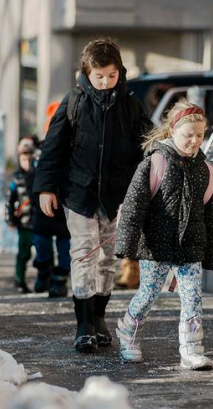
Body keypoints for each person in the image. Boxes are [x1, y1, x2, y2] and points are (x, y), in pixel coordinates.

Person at [34, 38, 153, 353]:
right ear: (86, 73)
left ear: (119, 72)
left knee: (107, 259)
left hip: (115, 197)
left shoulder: (129, 103)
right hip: (80, 193)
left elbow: (147, 142)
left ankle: (99, 317)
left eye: (111, 76)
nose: (104, 82)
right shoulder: (74, 101)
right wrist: (46, 188)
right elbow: (53, 146)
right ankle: (83, 323)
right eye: (98, 76)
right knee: (84, 254)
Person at [114, 101, 213, 370]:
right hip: (156, 244)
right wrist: (126, 244)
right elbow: (134, 205)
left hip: (190, 246)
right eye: (189, 135)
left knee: (192, 297)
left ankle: (192, 348)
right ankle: (128, 333)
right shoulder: (156, 162)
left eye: (200, 135)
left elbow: (211, 215)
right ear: (173, 130)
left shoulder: (205, 170)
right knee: (148, 293)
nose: (195, 141)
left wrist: (212, 254)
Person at [23, 135, 72, 298]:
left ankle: (59, 281)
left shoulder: (69, 161)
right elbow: (31, 187)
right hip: (41, 214)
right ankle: (44, 274)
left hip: (63, 215)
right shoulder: (37, 163)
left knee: (64, 251)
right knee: (42, 247)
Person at [5, 139, 35, 293]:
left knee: (44, 253)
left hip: (39, 221)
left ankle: (45, 280)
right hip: (24, 222)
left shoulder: (39, 175)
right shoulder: (16, 178)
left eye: (30, 157)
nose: (27, 160)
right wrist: (10, 218)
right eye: (24, 158)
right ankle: (19, 280)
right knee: (24, 253)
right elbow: (9, 201)